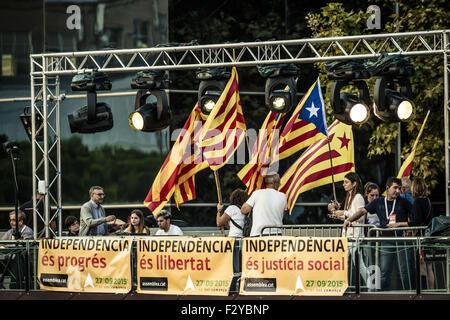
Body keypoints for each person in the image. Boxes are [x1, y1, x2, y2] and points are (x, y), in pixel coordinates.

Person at [343, 177, 413, 291]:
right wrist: (349, 220)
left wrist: (402, 225)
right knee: (385, 271)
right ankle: (382, 295)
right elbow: (362, 211)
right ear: (387, 188)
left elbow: (416, 216)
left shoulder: (403, 201)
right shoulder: (379, 201)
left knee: (405, 271)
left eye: (399, 188)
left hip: (402, 239)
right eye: (395, 188)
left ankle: (409, 294)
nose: (398, 191)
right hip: (386, 240)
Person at [388, 177, 435, 289]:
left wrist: (399, 224)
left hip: (421, 238)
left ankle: (422, 291)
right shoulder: (427, 200)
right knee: (429, 267)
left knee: (421, 266)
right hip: (429, 236)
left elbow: (416, 222)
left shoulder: (418, 201)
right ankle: (432, 291)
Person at [327, 172, 365, 237]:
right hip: (348, 234)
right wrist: (337, 215)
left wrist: (343, 212)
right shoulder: (349, 197)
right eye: (344, 182)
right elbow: (349, 217)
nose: (343, 184)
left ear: (354, 184)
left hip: (356, 236)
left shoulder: (358, 197)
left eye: (346, 182)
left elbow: (360, 216)